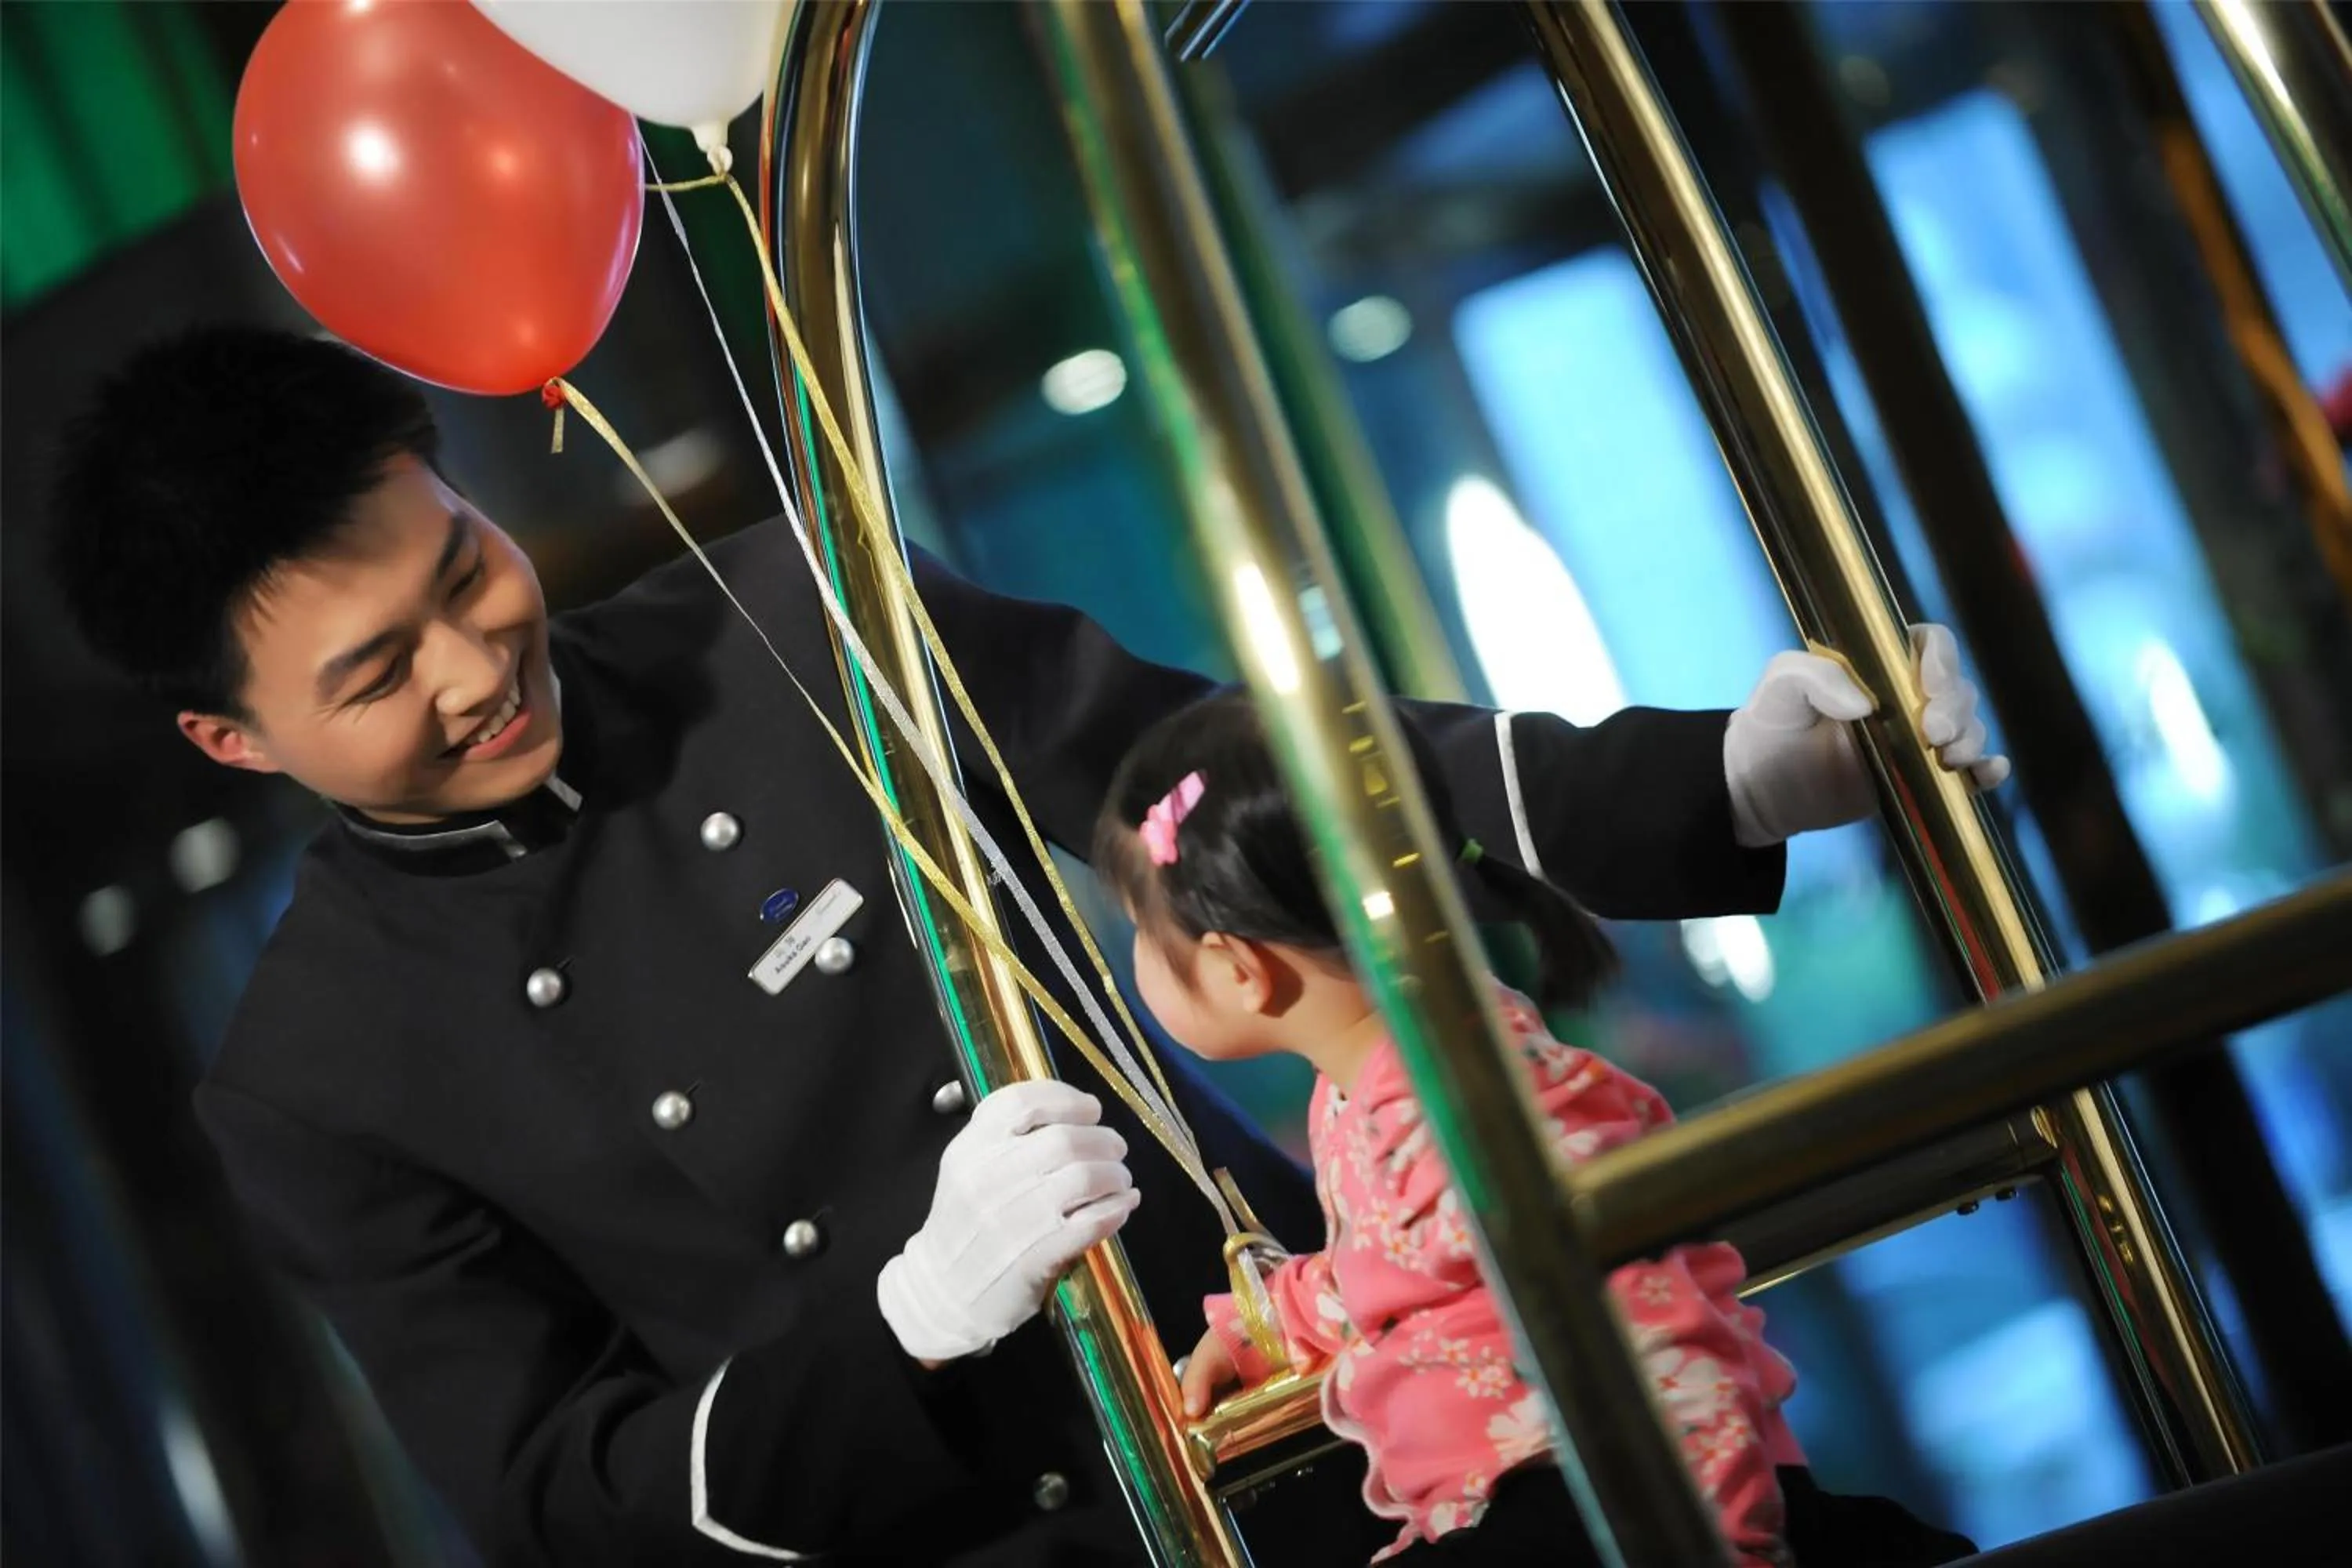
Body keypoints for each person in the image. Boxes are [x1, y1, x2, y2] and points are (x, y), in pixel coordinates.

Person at [47, 325, 2004, 1566]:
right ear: (232, 735)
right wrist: (901, 1319)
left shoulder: (779, 628)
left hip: (1364, 1454)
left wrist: (1717, 782)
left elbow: (1243, 779)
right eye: (380, 670)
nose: (480, 663)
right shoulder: (310, 1074)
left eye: (465, 567)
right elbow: (561, 1499)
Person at [1101, 692, 1977, 1567]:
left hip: (1608, 1506)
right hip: (1524, 1501)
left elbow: (1649, 1312)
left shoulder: (1472, 1093)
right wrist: (1271, 1322)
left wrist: (1718, 1530)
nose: (1135, 954)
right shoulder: (1364, 1084)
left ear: (1237, 968)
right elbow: (1397, 1258)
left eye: (1143, 929)